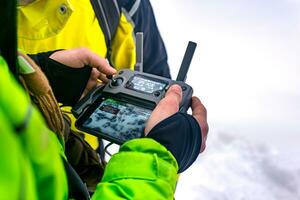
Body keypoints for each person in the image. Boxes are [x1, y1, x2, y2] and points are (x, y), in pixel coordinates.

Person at [0, 0, 209, 199]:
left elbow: (160, 88)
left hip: (92, 170)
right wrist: (159, 159)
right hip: (122, 178)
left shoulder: (117, 4)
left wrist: (33, 75)